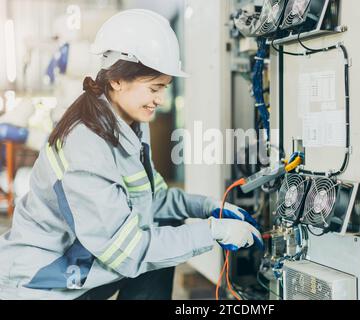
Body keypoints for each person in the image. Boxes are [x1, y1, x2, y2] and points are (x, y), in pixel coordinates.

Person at [0, 9, 262, 300]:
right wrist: (212, 231)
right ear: (117, 81)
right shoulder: (85, 146)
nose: (160, 100)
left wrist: (207, 207)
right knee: (159, 245)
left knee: (167, 230)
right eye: (154, 88)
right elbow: (127, 251)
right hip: (45, 282)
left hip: (81, 263)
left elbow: (153, 200)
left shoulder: (126, 126)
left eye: (163, 88)